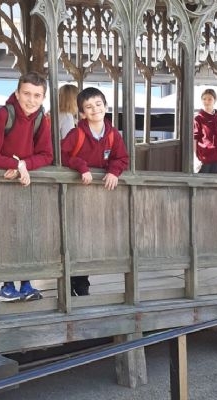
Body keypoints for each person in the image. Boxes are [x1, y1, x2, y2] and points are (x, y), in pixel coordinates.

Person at [0, 71, 53, 302]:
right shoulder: (4, 115)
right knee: (5, 234)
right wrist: (15, 164)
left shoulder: (41, 118)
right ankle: (7, 285)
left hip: (25, 183)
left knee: (27, 234)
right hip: (1, 184)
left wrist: (24, 165)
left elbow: (47, 155)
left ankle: (26, 283)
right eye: (26, 94)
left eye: (37, 95)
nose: (31, 100)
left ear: (43, 98)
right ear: (17, 93)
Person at [61, 87, 129, 296]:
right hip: (75, 194)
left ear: (106, 106)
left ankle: (82, 282)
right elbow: (62, 155)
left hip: (98, 197)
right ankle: (70, 281)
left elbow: (122, 158)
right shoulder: (77, 134)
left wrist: (114, 172)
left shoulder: (113, 135)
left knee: (90, 237)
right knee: (73, 236)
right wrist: (81, 166)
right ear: (82, 113)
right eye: (89, 107)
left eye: (98, 104)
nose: (95, 109)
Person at [193, 88, 217, 173]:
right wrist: (195, 158)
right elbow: (195, 138)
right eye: (204, 99)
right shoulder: (198, 118)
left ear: (215, 100)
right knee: (202, 179)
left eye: (209, 99)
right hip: (204, 157)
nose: (206, 101)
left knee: (214, 179)